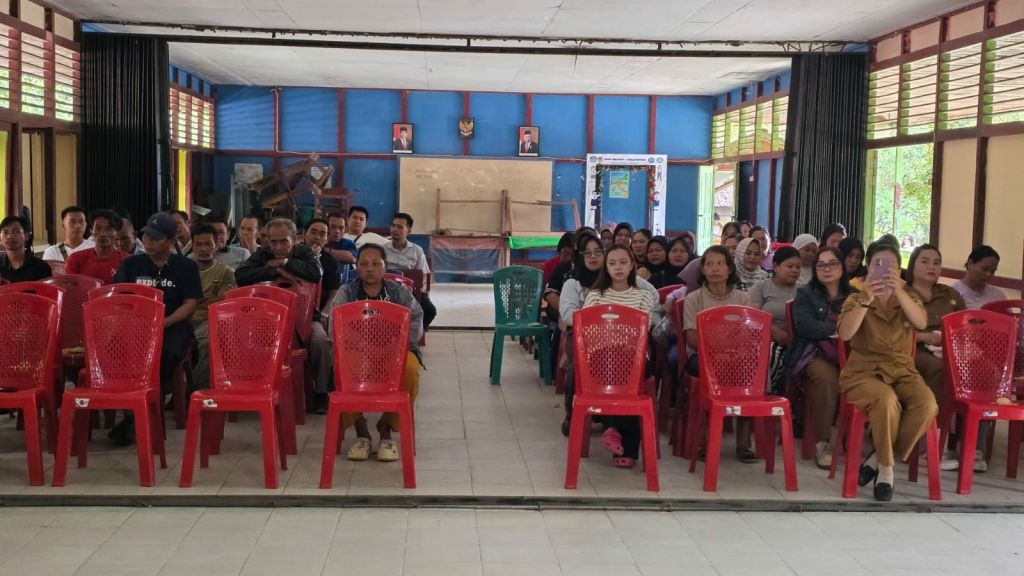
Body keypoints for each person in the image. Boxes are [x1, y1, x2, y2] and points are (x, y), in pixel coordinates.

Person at [837, 239, 934, 502]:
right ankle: (887, 470)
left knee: (927, 404)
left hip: (902, 370)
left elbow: (921, 322)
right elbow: (845, 334)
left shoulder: (908, 296)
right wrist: (865, 301)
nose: (885, 269)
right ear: (869, 267)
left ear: (899, 269)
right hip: (863, 373)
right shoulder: (856, 296)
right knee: (886, 400)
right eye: (879, 264)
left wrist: (899, 292)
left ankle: (876, 459)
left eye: (891, 265)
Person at [112, 212, 203, 446]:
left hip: (172, 324)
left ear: (171, 240)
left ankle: (140, 414)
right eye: (146, 236)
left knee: (162, 353)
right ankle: (135, 408)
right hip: (134, 326)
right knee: (116, 349)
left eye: (156, 238)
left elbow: (190, 304)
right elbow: (120, 298)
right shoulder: (130, 265)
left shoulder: (186, 266)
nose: (149, 242)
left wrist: (164, 322)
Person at [329, 244, 423, 463]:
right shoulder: (347, 292)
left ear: (385, 266)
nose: (369, 268)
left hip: (395, 351)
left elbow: (416, 318)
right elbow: (336, 322)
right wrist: (363, 346)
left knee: (410, 370)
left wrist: (397, 346)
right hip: (357, 350)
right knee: (342, 372)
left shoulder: (399, 292)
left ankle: (386, 428)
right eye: (363, 264)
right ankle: (361, 430)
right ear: (356, 267)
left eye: (375, 263)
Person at [583, 245, 659, 469]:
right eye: (612, 263)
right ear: (606, 267)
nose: (618, 267)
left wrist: (614, 333)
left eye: (623, 262)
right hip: (601, 356)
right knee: (614, 365)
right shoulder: (596, 296)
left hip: (634, 356)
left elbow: (642, 331)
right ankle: (625, 446)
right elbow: (588, 331)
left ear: (632, 265)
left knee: (630, 375)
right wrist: (619, 333)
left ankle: (613, 428)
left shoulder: (643, 296)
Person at [682, 244, 754, 462]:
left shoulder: (743, 299)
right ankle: (703, 443)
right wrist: (720, 347)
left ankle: (744, 444)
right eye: (710, 264)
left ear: (729, 269)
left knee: (750, 373)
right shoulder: (694, 299)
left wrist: (725, 345)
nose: (715, 268)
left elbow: (748, 336)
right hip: (702, 357)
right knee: (709, 373)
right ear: (703, 270)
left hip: (736, 358)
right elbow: (692, 338)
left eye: (720, 264)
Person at [905, 244, 968, 472]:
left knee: (986, 372)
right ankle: (929, 448)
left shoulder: (950, 294)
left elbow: (966, 326)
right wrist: (921, 336)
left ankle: (972, 447)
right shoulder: (903, 294)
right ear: (912, 266)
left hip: (950, 349)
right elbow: (891, 331)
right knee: (939, 369)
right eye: (925, 261)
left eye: (936, 262)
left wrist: (956, 342)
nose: (931, 266)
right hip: (913, 350)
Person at [788, 247, 851, 470]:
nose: (826, 269)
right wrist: (838, 329)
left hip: (850, 356)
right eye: (821, 265)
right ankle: (822, 443)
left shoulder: (855, 296)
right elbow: (805, 325)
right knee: (826, 379)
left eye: (832, 263)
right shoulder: (806, 294)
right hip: (814, 353)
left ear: (842, 267)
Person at [187, 224, 237, 392]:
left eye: (208, 244)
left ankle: (194, 389)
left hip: (208, 320)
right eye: (198, 244)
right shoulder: (183, 270)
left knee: (212, 341)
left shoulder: (225, 272)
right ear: (193, 246)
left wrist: (194, 300)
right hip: (182, 319)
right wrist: (206, 297)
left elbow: (223, 302)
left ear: (217, 245)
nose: (203, 249)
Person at [749, 247, 801, 397]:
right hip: (764, 337)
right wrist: (774, 331)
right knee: (768, 354)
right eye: (790, 266)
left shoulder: (803, 291)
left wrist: (788, 333)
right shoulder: (761, 286)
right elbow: (754, 315)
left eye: (798, 267)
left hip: (795, 339)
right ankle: (762, 396)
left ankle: (770, 396)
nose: (795, 270)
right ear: (776, 266)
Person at [304, 218, 342, 413]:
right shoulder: (294, 256)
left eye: (322, 234)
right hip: (290, 317)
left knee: (320, 340)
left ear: (327, 239)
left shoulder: (330, 262)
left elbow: (335, 292)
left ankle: (321, 392)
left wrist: (325, 313)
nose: (317, 237)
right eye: (313, 232)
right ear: (304, 234)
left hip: (314, 318)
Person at [384, 212, 437, 330]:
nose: (394, 229)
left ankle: (414, 335)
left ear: (408, 231)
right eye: (393, 226)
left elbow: (422, 275)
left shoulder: (417, 250)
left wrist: (414, 291)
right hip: (386, 291)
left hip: (411, 291)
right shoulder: (382, 249)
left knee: (430, 310)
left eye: (399, 227)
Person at [235, 218, 323, 287]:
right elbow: (240, 276)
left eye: (284, 242)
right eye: (273, 242)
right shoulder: (263, 253)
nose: (278, 247)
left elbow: (317, 273)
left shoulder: (305, 252)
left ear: (294, 240)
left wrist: (285, 262)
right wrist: (275, 271)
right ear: (268, 241)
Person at [64, 210, 128, 285]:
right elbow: (70, 290)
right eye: (98, 228)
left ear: (117, 233)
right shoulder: (75, 259)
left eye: (108, 229)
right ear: (91, 231)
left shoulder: (127, 261)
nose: (103, 234)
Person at [952, 245, 1005, 309]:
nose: (988, 274)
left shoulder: (998, 295)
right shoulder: (953, 292)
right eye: (984, 269)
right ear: (970, 263)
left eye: (993, 271)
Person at [0, 215, 51, 283]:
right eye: (5, 232)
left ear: (26, 236)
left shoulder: (41, 267)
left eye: (16, 231)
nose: (10, 236)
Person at [325, 212, 357, 283]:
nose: (337, 231)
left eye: (341, 228)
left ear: (345, 229)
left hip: (343, 282)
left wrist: (324, 250)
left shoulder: (348, 243)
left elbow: (351, 259)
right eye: (333, 227)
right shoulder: (321, 241)